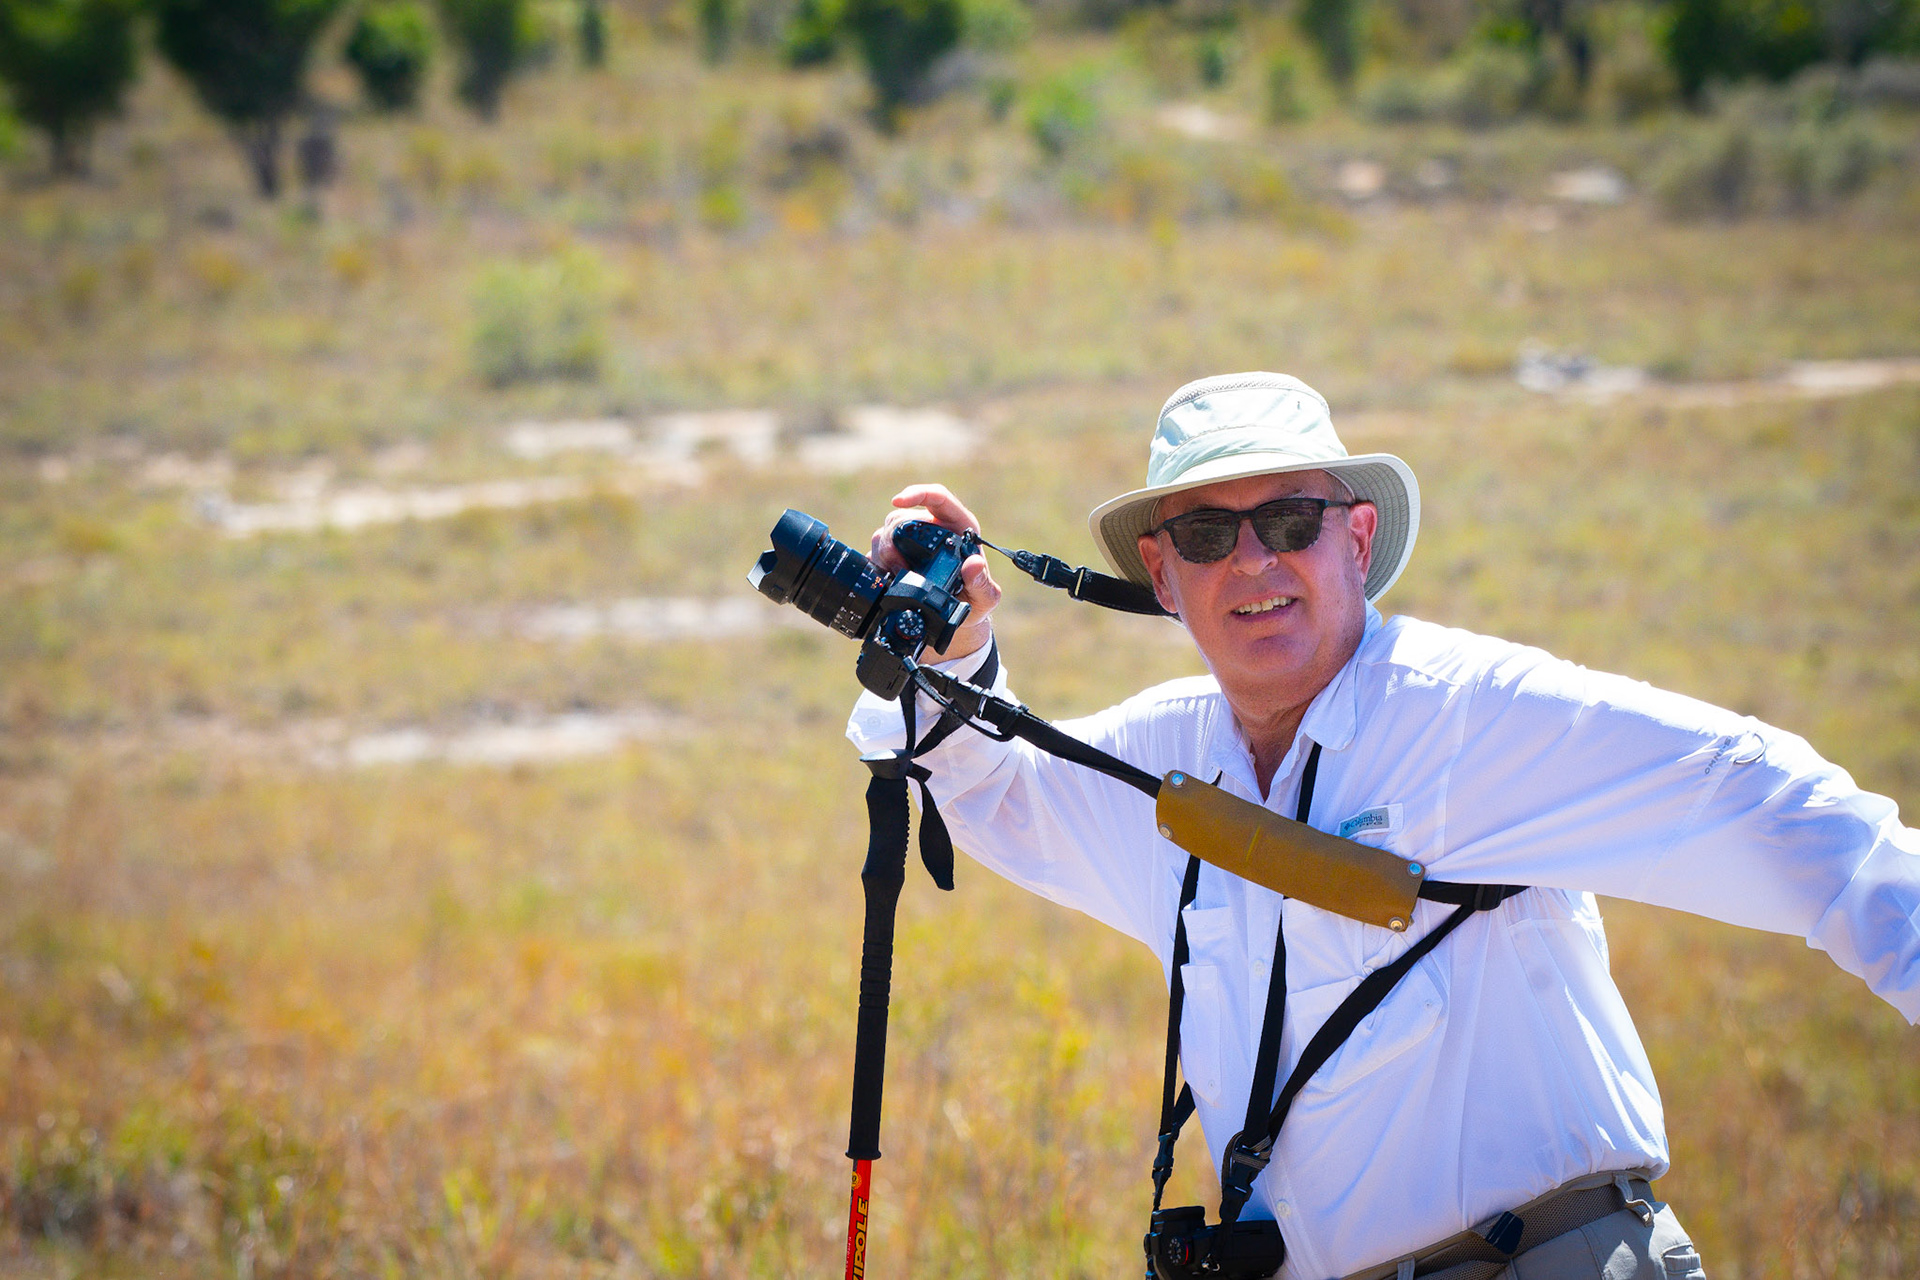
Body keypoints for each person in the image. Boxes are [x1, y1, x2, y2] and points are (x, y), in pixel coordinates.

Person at [845, 372, 1920, 1280]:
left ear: (1357, 539)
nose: (1255, 561)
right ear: (1164, 577)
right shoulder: (1156, 760)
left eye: (1292, 522)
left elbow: (1761, 797)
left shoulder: (1465, 715)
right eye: (1211, 534)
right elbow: (994, 791)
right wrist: (950, 645)